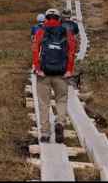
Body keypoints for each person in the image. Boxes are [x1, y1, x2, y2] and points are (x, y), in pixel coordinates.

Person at [32, 8, 76, 144]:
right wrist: (69, 70)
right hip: (61, 73)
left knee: (43, 103)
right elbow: (71, 52)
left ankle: (45, 133)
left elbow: (35, 49)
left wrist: (38, 68)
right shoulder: (67, 32)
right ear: (59, 18)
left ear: (46, 18)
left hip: (43, 73)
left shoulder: (40, 31)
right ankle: (60, 123)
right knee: (61, 100)